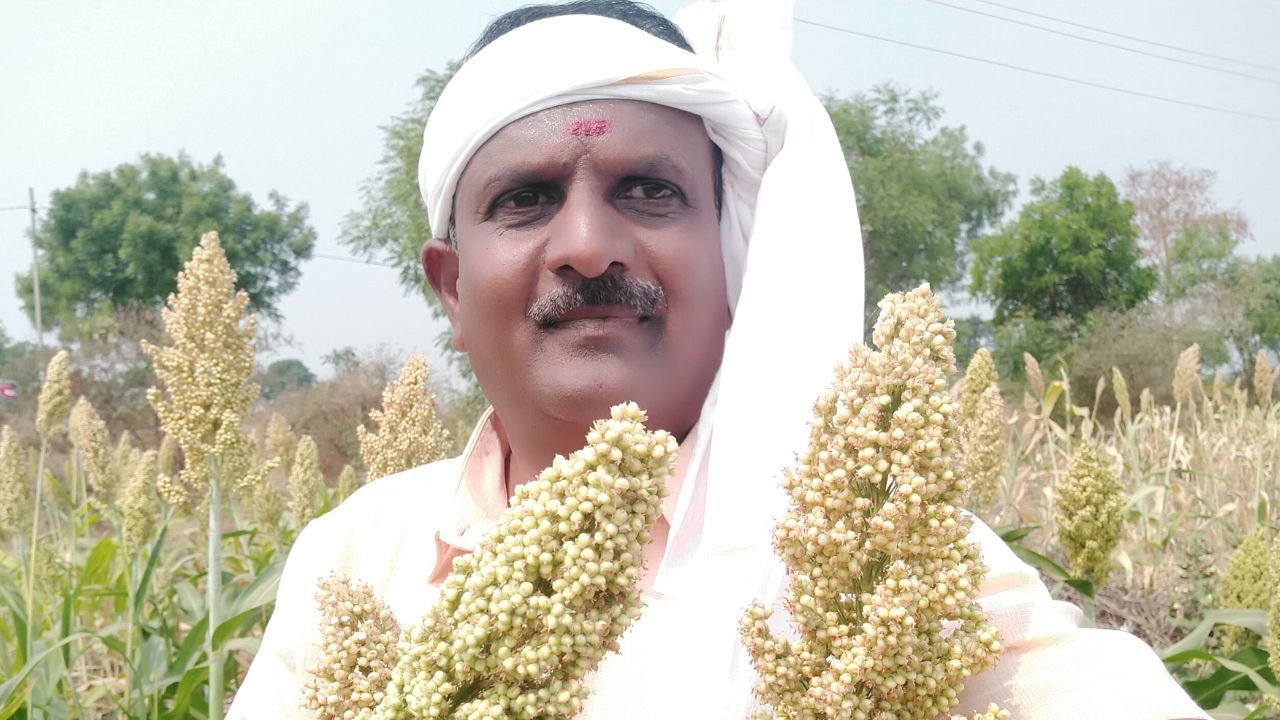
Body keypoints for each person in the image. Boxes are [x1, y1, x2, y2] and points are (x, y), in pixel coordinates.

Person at [230, 2, 1207, 718]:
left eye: (648, 192)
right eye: (524, 199)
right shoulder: (357, 559)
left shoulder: (876, 552)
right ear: (448, 286)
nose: (584, 245)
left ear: (736, 258)